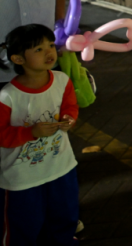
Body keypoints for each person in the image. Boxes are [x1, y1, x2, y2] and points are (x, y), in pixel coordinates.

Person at [0, 24, 79, 245]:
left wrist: (69, 119)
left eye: (51, 45)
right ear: (18, 59)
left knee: (64, 216)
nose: (49, 52)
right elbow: (2, 135)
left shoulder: (61, 80)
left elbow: (70, 106)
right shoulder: (8, 97)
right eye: (38, 49)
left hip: (61, 167)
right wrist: (31, 132)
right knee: (24, 224)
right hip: (22, 178)